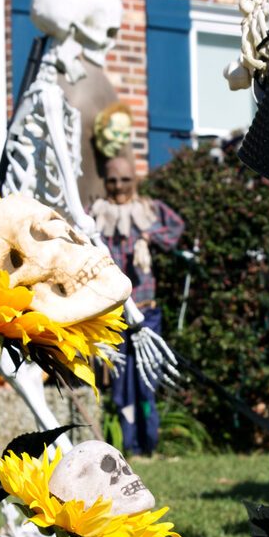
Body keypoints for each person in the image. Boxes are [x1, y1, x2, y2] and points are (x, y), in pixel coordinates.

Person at [90, 154, 185, 454]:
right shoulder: (94, 213)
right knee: (119, 380)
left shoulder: (149, 210)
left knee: (146, 378)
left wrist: (147, 236)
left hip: (147, 309)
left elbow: (176, 230)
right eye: (113, 180)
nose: (119, 186)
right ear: (106, 182)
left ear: (135, 180)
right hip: (112, 312)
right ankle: (128, 446)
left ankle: (150, 445)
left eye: (125, 179)